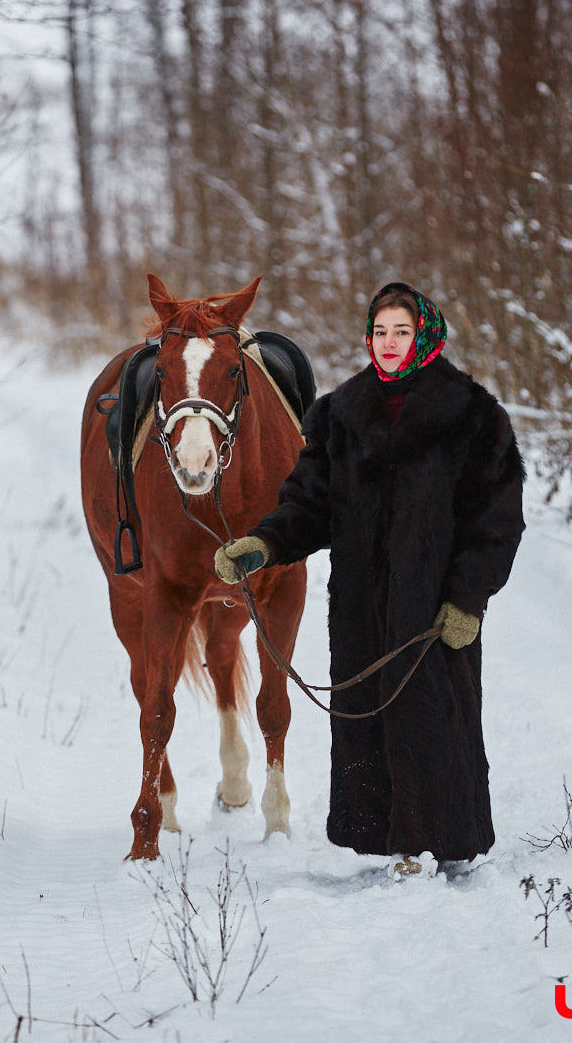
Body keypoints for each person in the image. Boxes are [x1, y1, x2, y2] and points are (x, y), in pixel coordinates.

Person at [215, 282, 525, 877]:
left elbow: (498, 520)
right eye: (380, 332)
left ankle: (437, 842)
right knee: (368, 720)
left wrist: (467, 599)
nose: (388, 343)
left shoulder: (473, 414)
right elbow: (308, 504)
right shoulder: (341, 412)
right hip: (359, 608)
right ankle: (387, 842)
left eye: (401, 332)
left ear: (425, 335)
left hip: (434, 611)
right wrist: (265, 544)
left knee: (434, 719)